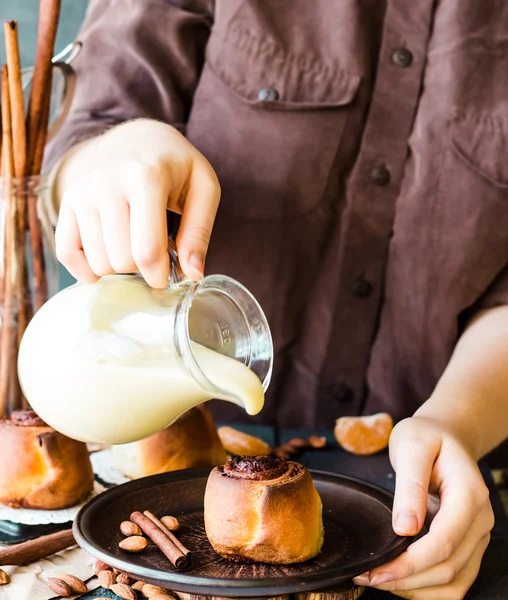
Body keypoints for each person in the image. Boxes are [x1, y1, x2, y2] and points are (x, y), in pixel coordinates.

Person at [45, 1, 508, 598]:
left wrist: (457, 422)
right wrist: (112, 153)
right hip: (174, 464)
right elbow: (86, 135)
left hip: (430, 495)